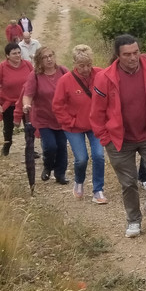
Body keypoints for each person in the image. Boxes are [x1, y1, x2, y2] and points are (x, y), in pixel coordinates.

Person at [90, 34, 146, 238]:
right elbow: (96, 112)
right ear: (118, 56)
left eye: (136, 52)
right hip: (119, 139)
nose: (133, 57)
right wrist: (105, 137)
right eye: (127, 54)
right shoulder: (104, 78)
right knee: (128, 183)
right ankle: (133, 220)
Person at [53, 44, 107, 203]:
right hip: (74, 127)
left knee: (99, 155)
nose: (85, 69)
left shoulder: (100, 74)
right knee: (81, 158)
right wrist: (71, 121)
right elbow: (57, 106)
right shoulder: (65, 81)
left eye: (89, 64)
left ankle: (98, 190)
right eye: (81, 65)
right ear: (74, 63)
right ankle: (79, 181)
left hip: (95, 124)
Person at [22, 47, 70, 185]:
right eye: (45, 57)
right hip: (43, 118)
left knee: (61, 146)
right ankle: (48, 166)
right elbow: (28, 94)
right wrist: (26, 105)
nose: (49, 59)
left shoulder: (63, 71)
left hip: (62, 117)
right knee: (50, 146)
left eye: (51, 55)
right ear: (39, 60)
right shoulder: (35, 75)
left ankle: (60, 174)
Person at [0, 42, 33, 156]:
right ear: (7, 55)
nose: (18, 55)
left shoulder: (28, 65)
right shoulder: (2, 67)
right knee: (8, 128)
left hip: (25, 102)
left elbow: (34, 82)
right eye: (14, 53)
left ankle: (30, 149)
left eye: (19, 52)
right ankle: (7, 145)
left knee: (29, 126)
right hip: (9, 103)